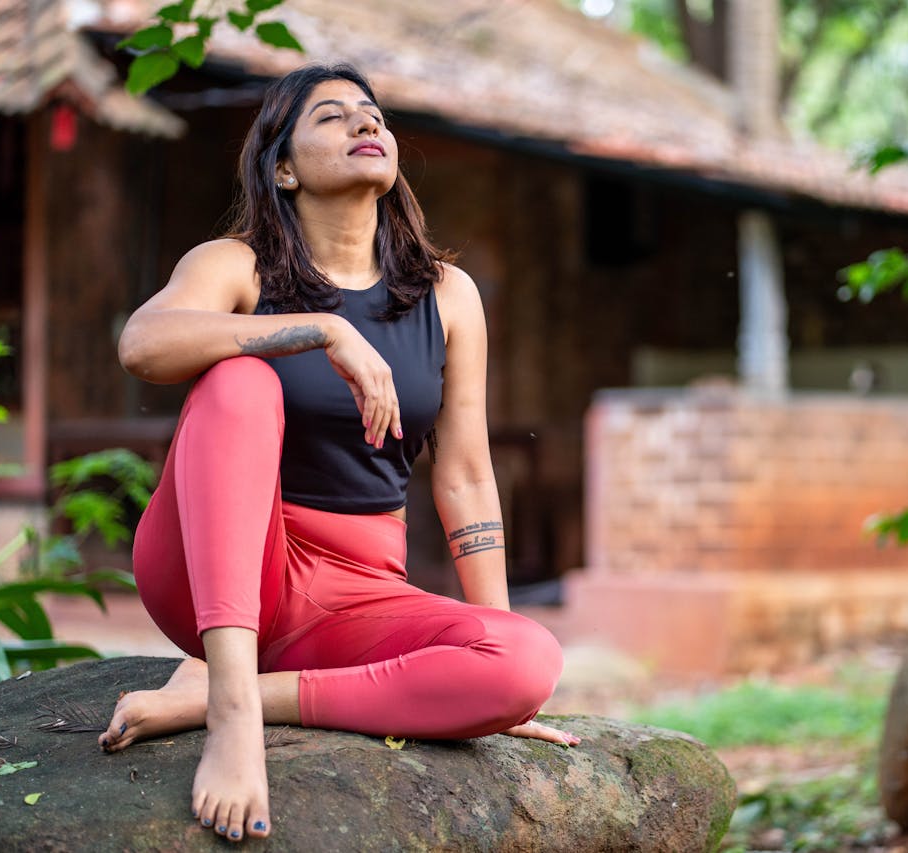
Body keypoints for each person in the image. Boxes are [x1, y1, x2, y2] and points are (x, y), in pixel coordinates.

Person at [99, 63, 574, 844]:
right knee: (242, 381)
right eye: (331, 117)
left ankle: (235, 690)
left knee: (526, 661)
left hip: (357, 590)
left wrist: (495, 666)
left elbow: (463, 472)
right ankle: (230, 710)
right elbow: (142, 344)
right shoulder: (236, 265)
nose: (365, 125)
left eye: (372, 114)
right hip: (223, 565)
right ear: (282, 167)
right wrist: (320, 328)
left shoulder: (446, 296)